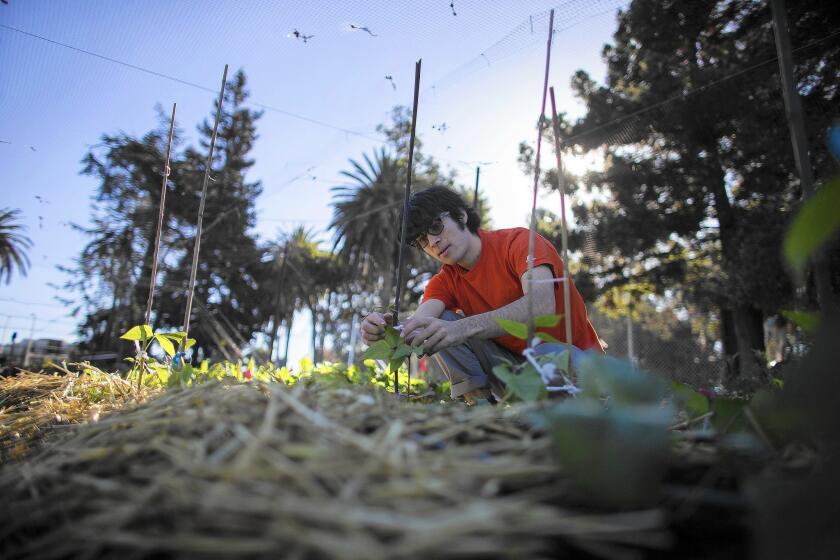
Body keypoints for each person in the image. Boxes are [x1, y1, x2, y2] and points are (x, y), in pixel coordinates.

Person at [360, 186, 604, 402]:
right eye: (422, 240)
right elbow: (421, 325)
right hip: (517, 376)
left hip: (578, 368)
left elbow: (541, 305)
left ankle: (596, 404)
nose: (433, 242)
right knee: (440, 322)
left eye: (435, 226)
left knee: (544, 352)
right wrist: (387, 332)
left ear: (461, 215)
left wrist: (463, 328)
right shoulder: (444, 281)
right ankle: (482, 411)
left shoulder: (518, 242)